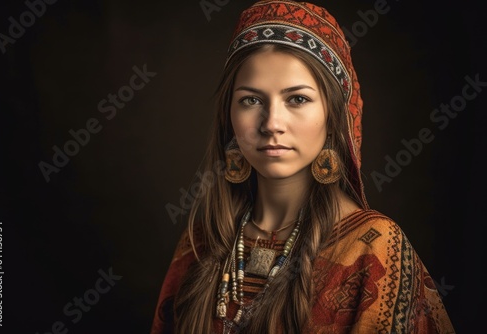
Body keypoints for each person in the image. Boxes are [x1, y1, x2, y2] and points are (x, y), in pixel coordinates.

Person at [150, 1, 455, 333]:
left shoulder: (373, 246)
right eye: (251, 100)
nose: (272, 123)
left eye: (297, 99)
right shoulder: (200, 243)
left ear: (333, 116)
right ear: (228, 116)